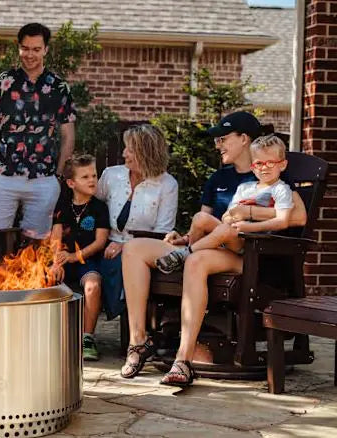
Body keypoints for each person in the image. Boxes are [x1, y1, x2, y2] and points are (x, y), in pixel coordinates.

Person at [119, 112, 308, 387]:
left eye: (223, 139)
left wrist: (250, 213)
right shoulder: (220, 179)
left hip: (249, 255)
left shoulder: (274, 176)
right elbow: (203, 221)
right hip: (207, 244)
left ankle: (182, 360)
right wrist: (183, 238)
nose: (218, 145)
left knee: (198, 260)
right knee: (134, 248)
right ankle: (138, 342)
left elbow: (297, 216)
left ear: (244, 139)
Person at [0, 22, 76, 240]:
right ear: (19, 47)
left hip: (43, 178)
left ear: (46, 50)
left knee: (37, 246)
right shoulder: (3, 83)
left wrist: (58, 175)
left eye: (36, 49)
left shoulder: (59, 87)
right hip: (4, 175)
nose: (30, 54)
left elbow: (68, 135)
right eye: (25, 48)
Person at [156, 135, 294, 274]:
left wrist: (248, 225)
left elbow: (282, 221)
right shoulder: (244, 188)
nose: (264, 168)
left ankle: (185, 254)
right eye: (259, 164)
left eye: (270, 163)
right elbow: (227, 216)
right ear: (252, 167)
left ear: (282, 165)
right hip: (233, 236)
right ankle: (185, 261)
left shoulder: (281, 189)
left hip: (253, 242)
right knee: (201, 217)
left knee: (226, 230)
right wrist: (233, 218)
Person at [96, 124, 178, 323]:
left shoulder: (167, 185)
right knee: (109, 262)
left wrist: (125, 247)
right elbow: (95, 210)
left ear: (145, 152)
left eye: (130, 149)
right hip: (105, 244)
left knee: (123, 262)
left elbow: (162, 232)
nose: (124, 153)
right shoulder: (111, 175)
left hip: (144, 251)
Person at [50, 154, 110, 361]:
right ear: (71, 183)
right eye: (85, 177)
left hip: (87, 259)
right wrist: (56, 261)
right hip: (64, 259)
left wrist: (75, 256)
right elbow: (55, 238)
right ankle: (51, 335)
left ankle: (87, 337)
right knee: (46, 279)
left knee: (93, 285)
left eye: (94, 175)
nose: (92, 180)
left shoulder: (99, 208)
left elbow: (100, 242)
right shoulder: (63, 206)